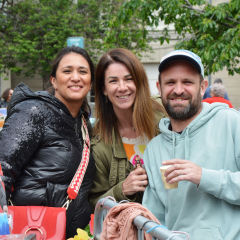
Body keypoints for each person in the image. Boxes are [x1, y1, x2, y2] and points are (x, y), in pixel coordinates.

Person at [142, 50, 240, 240]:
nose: (178, 90)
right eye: (170, 83)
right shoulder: (154, 149)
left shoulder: (231, 123)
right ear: (159, 88)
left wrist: (204, 176)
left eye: (187, 82)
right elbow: (154, 217)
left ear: (203, 87)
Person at [0, 46, 95, 238]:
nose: (75, 77)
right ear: (54, 81)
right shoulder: (33, 111)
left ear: (90, 83)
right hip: (29, 232)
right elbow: (3, 171)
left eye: (82, 71)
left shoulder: (84, 126)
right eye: (67, 71)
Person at [89, 48, 167, 211]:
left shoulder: (164, 114)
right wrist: (122, 189)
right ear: (104, 89)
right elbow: (93, 204)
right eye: (113, 81)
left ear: (139, 82)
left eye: (128, 79)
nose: (122, 87)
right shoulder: (99, 143)